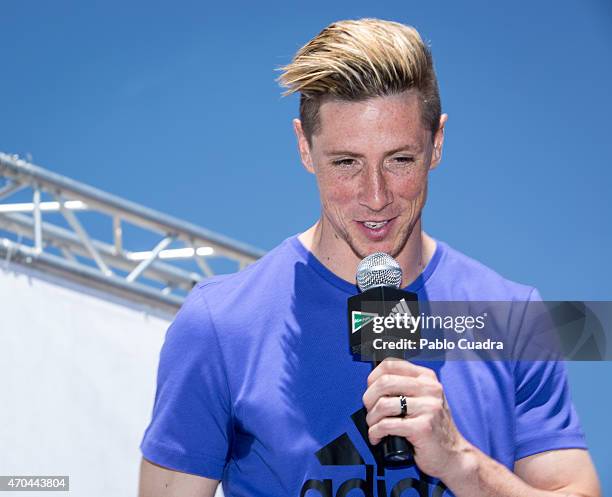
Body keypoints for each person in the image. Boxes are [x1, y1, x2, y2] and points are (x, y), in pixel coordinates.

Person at [138, 18, 601, 497]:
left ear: (436, 143)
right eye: (346, 163)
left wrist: (460, 462)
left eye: (400, 160)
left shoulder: (511, 319)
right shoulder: (220, 324)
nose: (375, 196)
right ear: (304, 147)